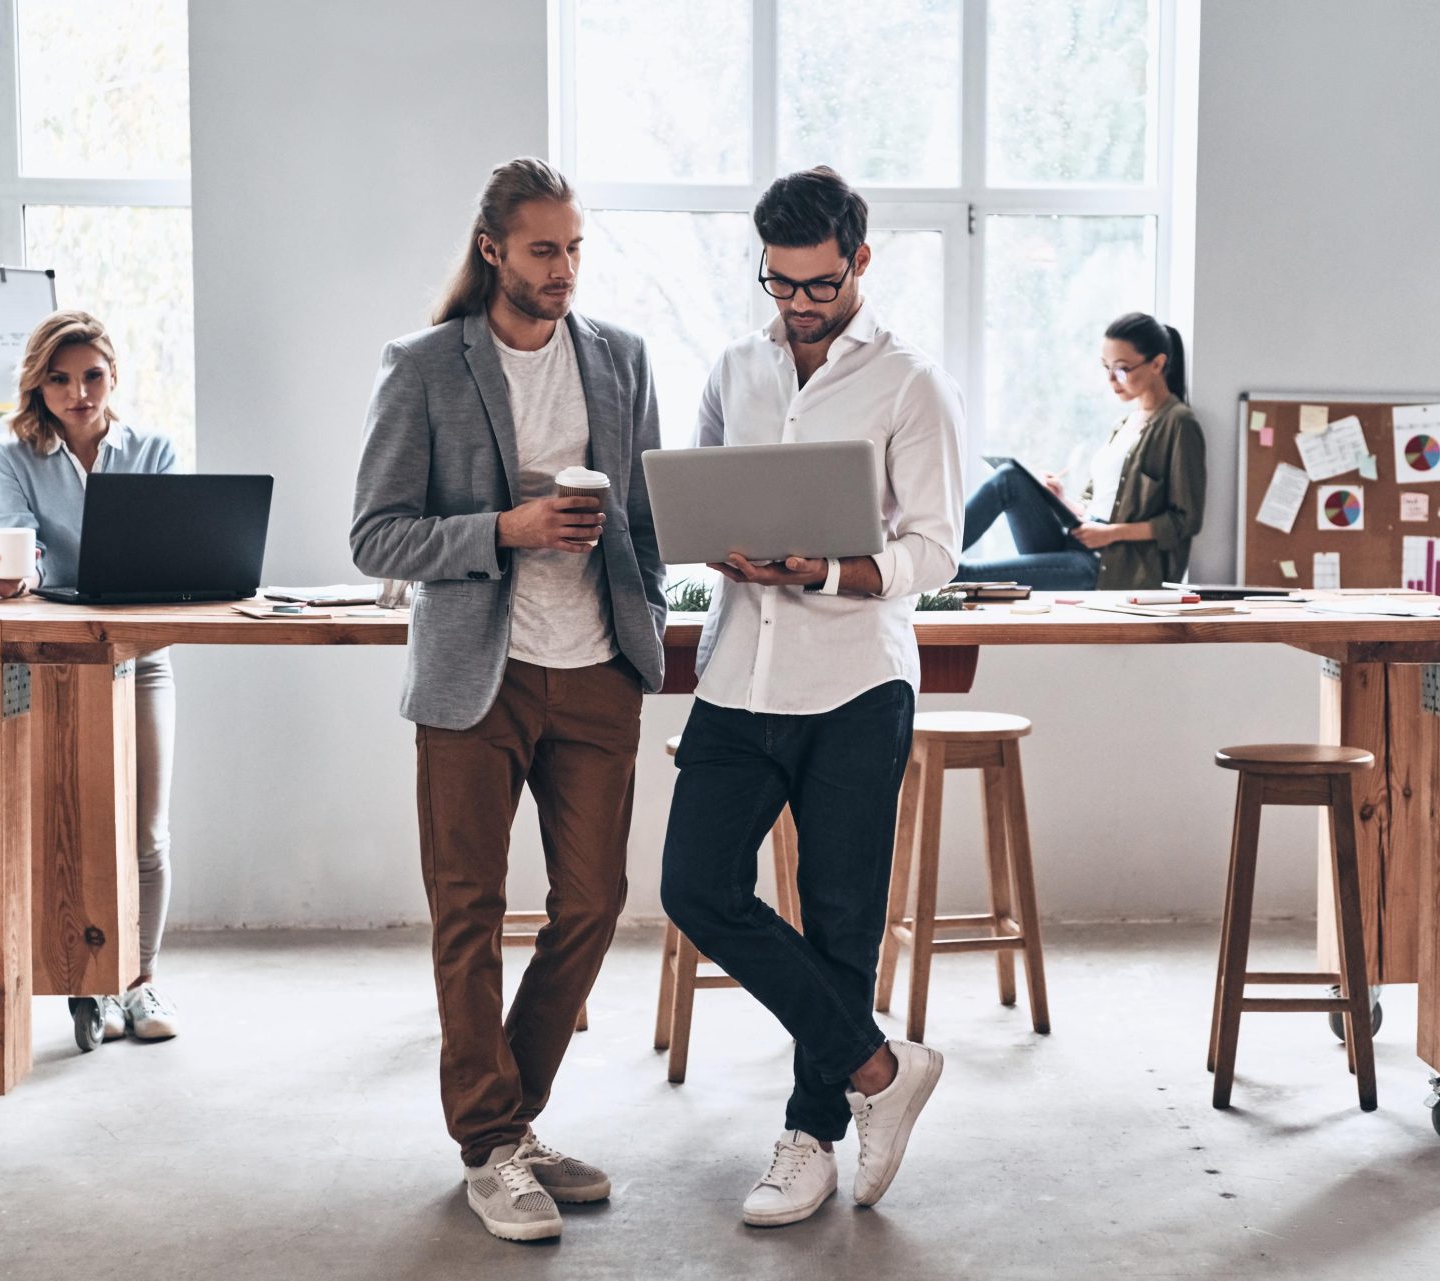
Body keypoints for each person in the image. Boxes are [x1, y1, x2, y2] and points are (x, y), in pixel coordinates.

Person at [350, 157, 666, 1243]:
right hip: (472, 681)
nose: (564, 268)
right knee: (468, 912)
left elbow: (652, 518)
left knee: (592, 903)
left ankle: (507, 1123)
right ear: (493, 249)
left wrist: (649, 622)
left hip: (595, 673)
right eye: (544, 249)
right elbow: (376, 536)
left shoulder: (619, 359)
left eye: (576, 248)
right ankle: (490, 1144)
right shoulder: (428, 366)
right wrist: (505, 531)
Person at [659, 166, 964, 1228]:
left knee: (840, 922)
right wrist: (719, 553)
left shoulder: (909, 383)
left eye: (819, 284)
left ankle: (812, 1137)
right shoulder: (735, 370)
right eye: (780, 284)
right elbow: (694, 505)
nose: (797, 305)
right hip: (740, 672)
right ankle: (883, 1068)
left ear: (860, 264)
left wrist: (825, 571)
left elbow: (936, 550)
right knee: (695, 886)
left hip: (854, 684)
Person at [0, 309, 181, 1045]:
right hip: (56, 662)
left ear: (113, 375)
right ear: (39, 386)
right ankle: (77, 975)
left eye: (91, 375)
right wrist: (6, 578)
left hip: (141, 656)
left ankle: (141, 982)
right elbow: (22, 557)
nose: (77, 392)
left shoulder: (152, 448)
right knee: (63, 826)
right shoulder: (12, 456)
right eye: (59, 379)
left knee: (144, 829)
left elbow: (170, 555)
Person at [956, 312, 1206, 590]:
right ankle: (936, 550)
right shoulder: (1123, 424)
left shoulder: (1179, 423)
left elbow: (1185, 521)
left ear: (1157, 363)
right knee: (1009, 478)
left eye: (1122, 369)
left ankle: (932, 562)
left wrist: (1110, 534)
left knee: (962, 574)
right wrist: (1062, 501)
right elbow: (1098, 504)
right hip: (1077, 541)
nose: (1111, 379)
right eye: (1105, 367)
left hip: (1107, 566)